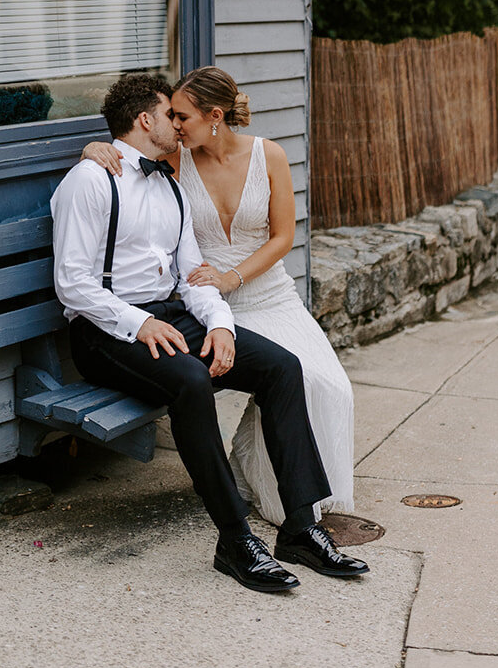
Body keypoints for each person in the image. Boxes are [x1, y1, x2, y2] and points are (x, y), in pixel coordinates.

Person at [54, 72, 368, 592]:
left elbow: (193, 274)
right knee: (192, 382)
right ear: (144, 120)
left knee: (282, 367)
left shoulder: (171, 185)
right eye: (169, 115)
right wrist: (141, 322)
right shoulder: (91, 182)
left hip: (170, 316)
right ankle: (235, 539)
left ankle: (301, 527)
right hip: (104, 330)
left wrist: (220, 325)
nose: (178, 125)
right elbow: (73, 286)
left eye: (184, 116)